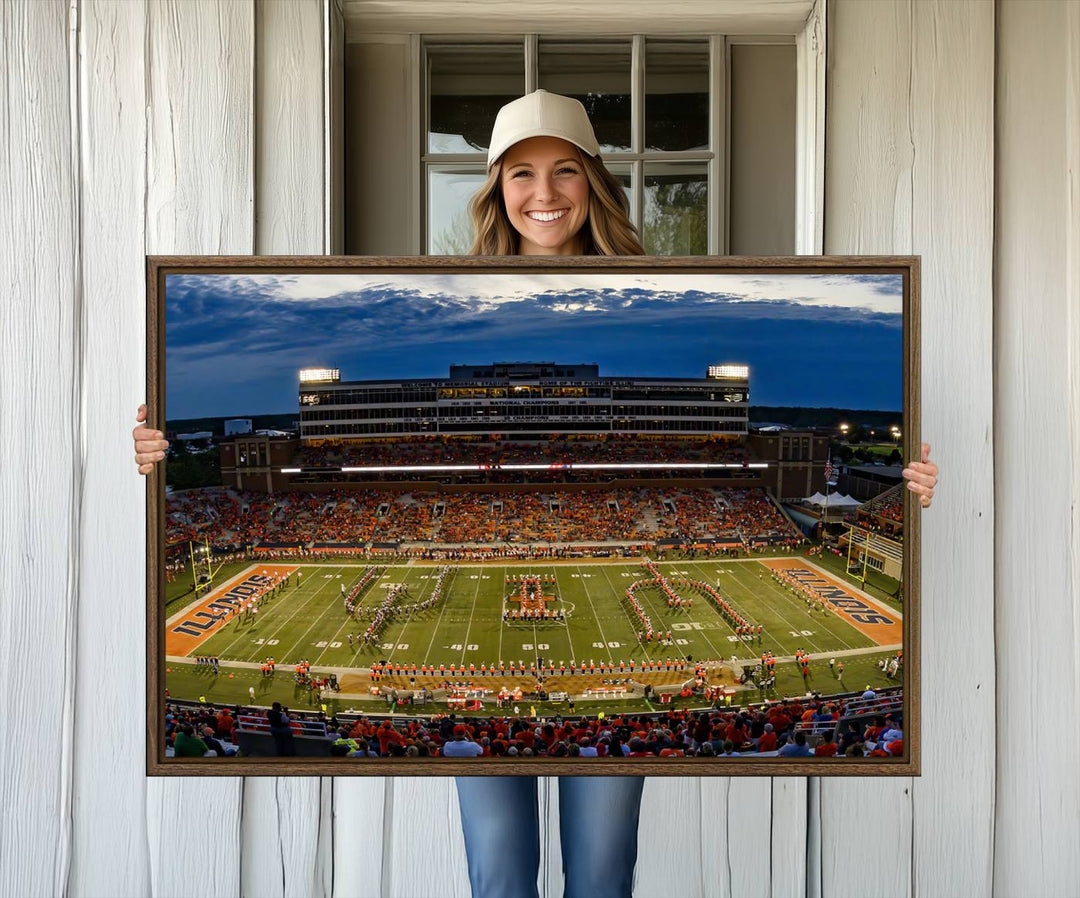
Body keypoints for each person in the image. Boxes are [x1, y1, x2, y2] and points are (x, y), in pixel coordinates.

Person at [132, 89, 939, 898]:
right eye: (521, 173)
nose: (544, 193)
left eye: (564, 171)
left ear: (594, 181)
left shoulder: (661, 289)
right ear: (495, 188)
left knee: (600, 873)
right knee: (500, 873)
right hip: (487, 698)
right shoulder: (444, 292)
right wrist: (159, 449)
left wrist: (908, 478)